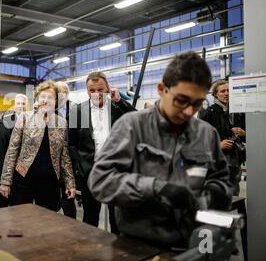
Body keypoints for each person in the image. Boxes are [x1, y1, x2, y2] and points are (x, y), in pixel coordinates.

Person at [88, 51, 232, 248]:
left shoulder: (206, 133)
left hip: (195, 240)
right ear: (162, 89)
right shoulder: (132, 126)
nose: (189, 111)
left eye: (197, 104)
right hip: (140, 243)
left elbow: (221, 178)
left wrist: (216, 192)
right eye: (181, 100)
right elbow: (101, 181)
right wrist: (155, 187)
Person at [68, 71, 133, 234]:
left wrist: (121, 102)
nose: (97, 94)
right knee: (90, 218)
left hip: (116, 171)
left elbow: (137, 120)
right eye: (92, 90)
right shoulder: (78, 111)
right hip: (90, 172)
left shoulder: (117, 107)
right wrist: (80, 166)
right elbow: (72, 143)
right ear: (87, 90)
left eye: (100, 90)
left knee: (117, 218)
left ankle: (118, 253)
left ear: (108, 89)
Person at [0, 81, 76, 212]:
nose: (46, 101)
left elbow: (64, 156)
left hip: (50, 181)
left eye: (50, 97)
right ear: (37, 99)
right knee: (20, 220)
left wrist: (70, 183)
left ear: (56, 101)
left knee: (47, 222)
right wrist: (5, 181)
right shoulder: (24, 118)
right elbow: (12, 151)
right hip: (23, 179)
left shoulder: (62, 123)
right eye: (43, 97)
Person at [199, 79, 246, 196]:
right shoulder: (208, 113)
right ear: (215, 94)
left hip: (235, 159)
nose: (226, 93)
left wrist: (244, 134)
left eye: (229, 91)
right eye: (222, 91)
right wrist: (218, 145)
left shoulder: (238, 112)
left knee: (234, 189)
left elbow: (248, 134)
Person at [54, 81, 77, 219]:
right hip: (53, 161)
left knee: (69, 201)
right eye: (57, 93)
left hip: (70, 162)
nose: (60, 96)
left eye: (63, 93)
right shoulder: (49, 110)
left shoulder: (76, 110)